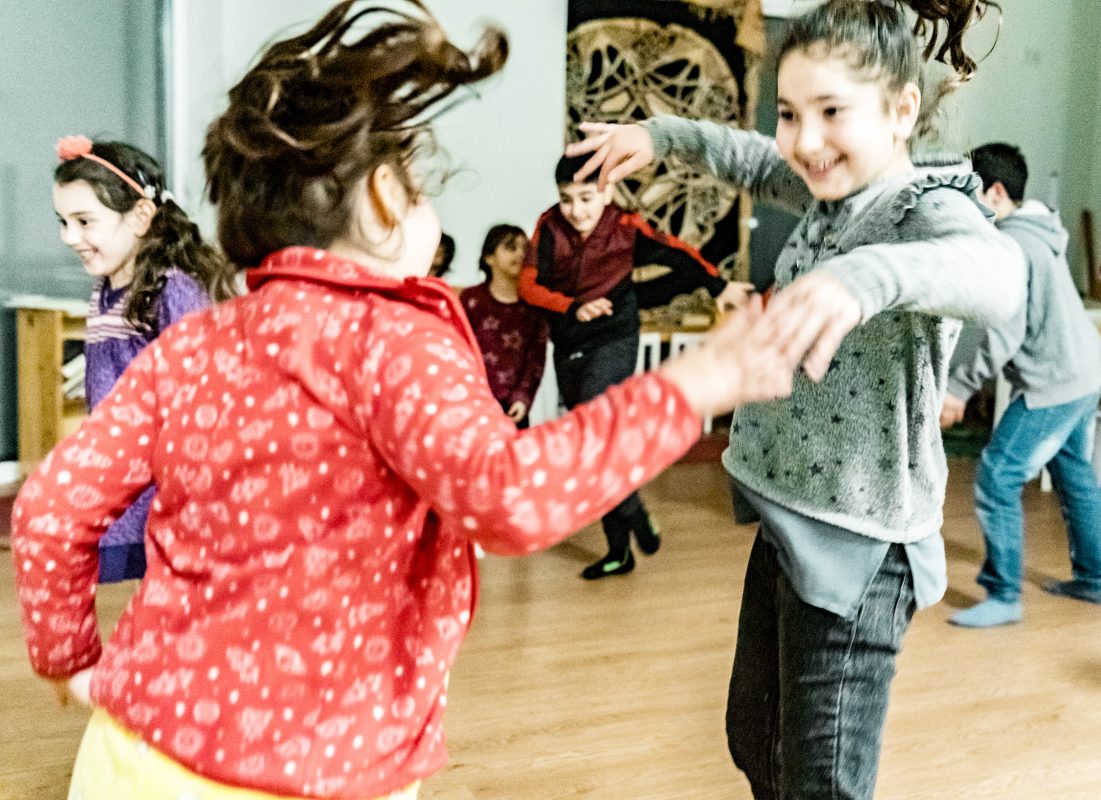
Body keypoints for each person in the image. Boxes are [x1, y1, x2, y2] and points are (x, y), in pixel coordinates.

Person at [12, 3, 806, 798]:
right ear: (388, 197)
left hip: (138, 754)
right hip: (327, 769)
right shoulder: (393, 340)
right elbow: (510, 497)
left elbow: (48, 512)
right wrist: (696, 384)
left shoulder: (192, 346)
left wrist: (69, 659)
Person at [567, 0, 1023, 795]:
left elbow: (997, 276)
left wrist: (868, 276)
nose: (805, 140)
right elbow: (745, 157)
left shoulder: (926, 208)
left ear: (901, 109)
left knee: (822, 780)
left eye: (832, 112)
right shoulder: (825, 187)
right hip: (788, 519)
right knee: (754, 737)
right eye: (789, 112)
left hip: (861, 549)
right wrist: (661, 134)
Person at [520, 153, 755, 579]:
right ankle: (619, 550)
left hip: (614, 339)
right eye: (568, 199)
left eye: (587, 198)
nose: (577, 210)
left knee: (595, 426)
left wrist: (717, 286)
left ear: (606, 191)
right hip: (569, 339)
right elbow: (528, 285)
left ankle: (634, 512)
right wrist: (572, 307)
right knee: (594, 443)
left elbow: (679, 253)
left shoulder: (625, 227)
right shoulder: (549, 226)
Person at [941, 142, 1101, 628]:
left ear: (995, 192)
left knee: (997, 473)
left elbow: (1006, 333)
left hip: (1056, 383)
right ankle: (1095, 580)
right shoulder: (1041, 232)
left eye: (970, 193)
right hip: (1086, 372)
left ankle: (1004, 595)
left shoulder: (1012, 245)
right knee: (1075, 471)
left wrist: (958, 387)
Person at [52, 135, 236, 582]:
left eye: (84, 221)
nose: (70, 237)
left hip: (170, 486)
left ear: (139, 217)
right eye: (63, 221)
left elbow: (205, 395)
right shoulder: (106, 289)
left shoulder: (174, 289)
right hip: (125, 478)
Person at [461, 224, 547, 428]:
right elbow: (460, 349)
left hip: (513, 410)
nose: (520, 254)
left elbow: (535, 359)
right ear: (489, 258)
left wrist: (522, 398)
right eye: (510, 247)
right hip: (474, 403)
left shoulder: (535, 306)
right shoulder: (471, 300)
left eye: (524, 248)